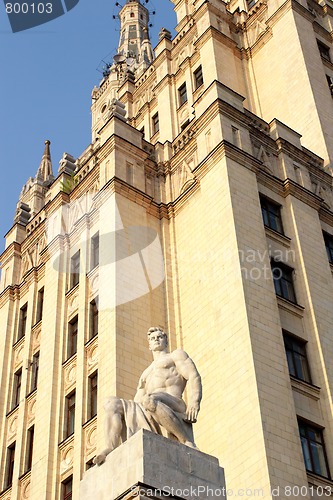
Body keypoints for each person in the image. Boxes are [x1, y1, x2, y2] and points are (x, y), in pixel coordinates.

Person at [94, 327, 202, 465]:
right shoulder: (146, 373)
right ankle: (110, 447)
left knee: (150, 398)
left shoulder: (175, 356)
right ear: (149, 345)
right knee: (111, 403)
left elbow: (193, 376)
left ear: (166, 341)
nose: (156, 340)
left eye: (159, 337)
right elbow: (137, 402)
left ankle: (185, 440)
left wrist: (194, 401)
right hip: (149, 405)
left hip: (173, 403)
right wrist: (128, 415)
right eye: (152, 338)